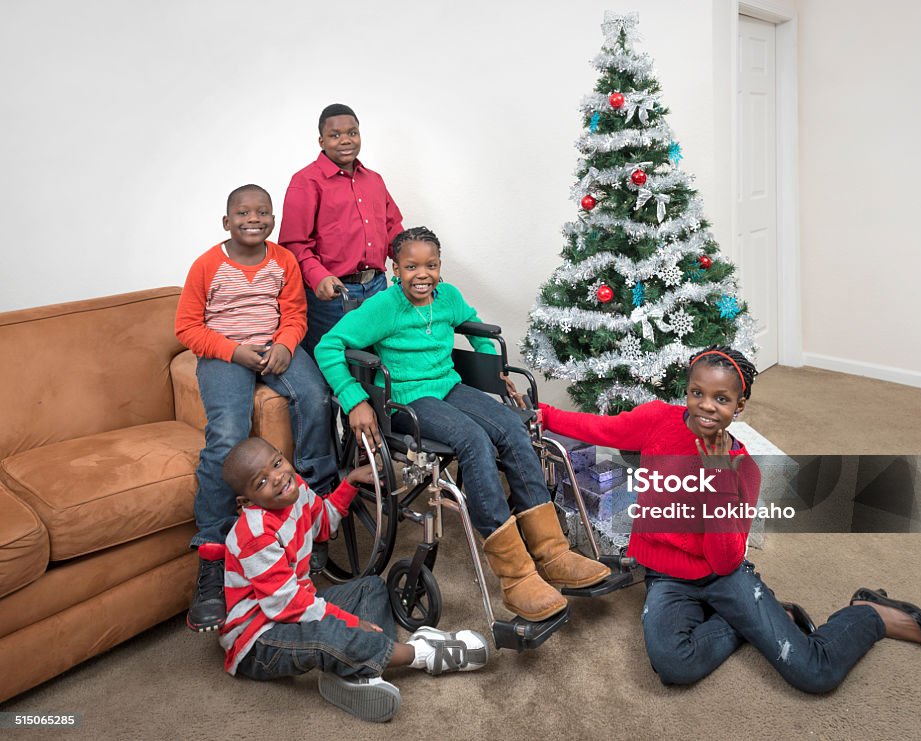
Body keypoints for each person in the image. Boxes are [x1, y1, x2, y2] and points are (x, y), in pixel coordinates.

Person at [537, 346, 921, 693]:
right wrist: (541, 413)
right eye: (697, 392)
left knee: (815, 673)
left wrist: (718, 480)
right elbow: (599, 428)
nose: (706, 406)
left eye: (721, 399)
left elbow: (724, 561)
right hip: (665, 577)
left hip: (725, 576)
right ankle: (770, 619)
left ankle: (869, 614)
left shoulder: (743, 469)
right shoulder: (657, 422)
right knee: (673, 667)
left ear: (740, 405)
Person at [315, 227, 611, 622]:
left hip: (448, 385)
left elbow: (474, 326)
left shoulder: (449, 297)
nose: (422, 274)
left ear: (440, 267)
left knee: (509, 426)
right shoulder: (383, 307)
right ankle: (516, 576)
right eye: (411, 266)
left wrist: (495, 370)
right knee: (474, 440)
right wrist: (354, 400)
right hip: (407, 397)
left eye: (431, 265)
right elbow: (328, 346)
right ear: (394, 268)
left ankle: (553, 553)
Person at [220, 437, 488, 723]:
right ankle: (420, 653)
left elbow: (323, 522)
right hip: (258, 638)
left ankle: (361, 671)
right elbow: (286, 608)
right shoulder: (255, 535)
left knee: (370, 586)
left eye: (277, 463)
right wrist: (350, 622)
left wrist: (350, 482)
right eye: (261, 482)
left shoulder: (294, 487)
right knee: (327, 634)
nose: (277, 478)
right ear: (246, 501)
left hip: (295, 603)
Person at [175, 184, 339, 633]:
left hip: (275, 346)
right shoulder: (207, 265)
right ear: (226, 221)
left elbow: (295, 314)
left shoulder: (283, 259)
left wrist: (287, 345)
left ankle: (314, 505)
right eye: (243, 213)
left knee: (316, 397)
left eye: (263, 212)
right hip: (224, 352)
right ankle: (212, 552)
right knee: (227, 433)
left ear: (273, 219)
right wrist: (232, 351)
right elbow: (187, 327)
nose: (254, 219)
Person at [279, 103, 404, 357]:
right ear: (321, 140)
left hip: (378, 290)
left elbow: (394, 229)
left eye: (352, 132)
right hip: (334, 296)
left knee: (378, 363)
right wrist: (319, 277)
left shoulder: (374, 180)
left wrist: (413, 265)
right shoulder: (305, 181)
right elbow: (294, 244)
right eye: (335, 135)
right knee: (334, 366)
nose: (345, 140)